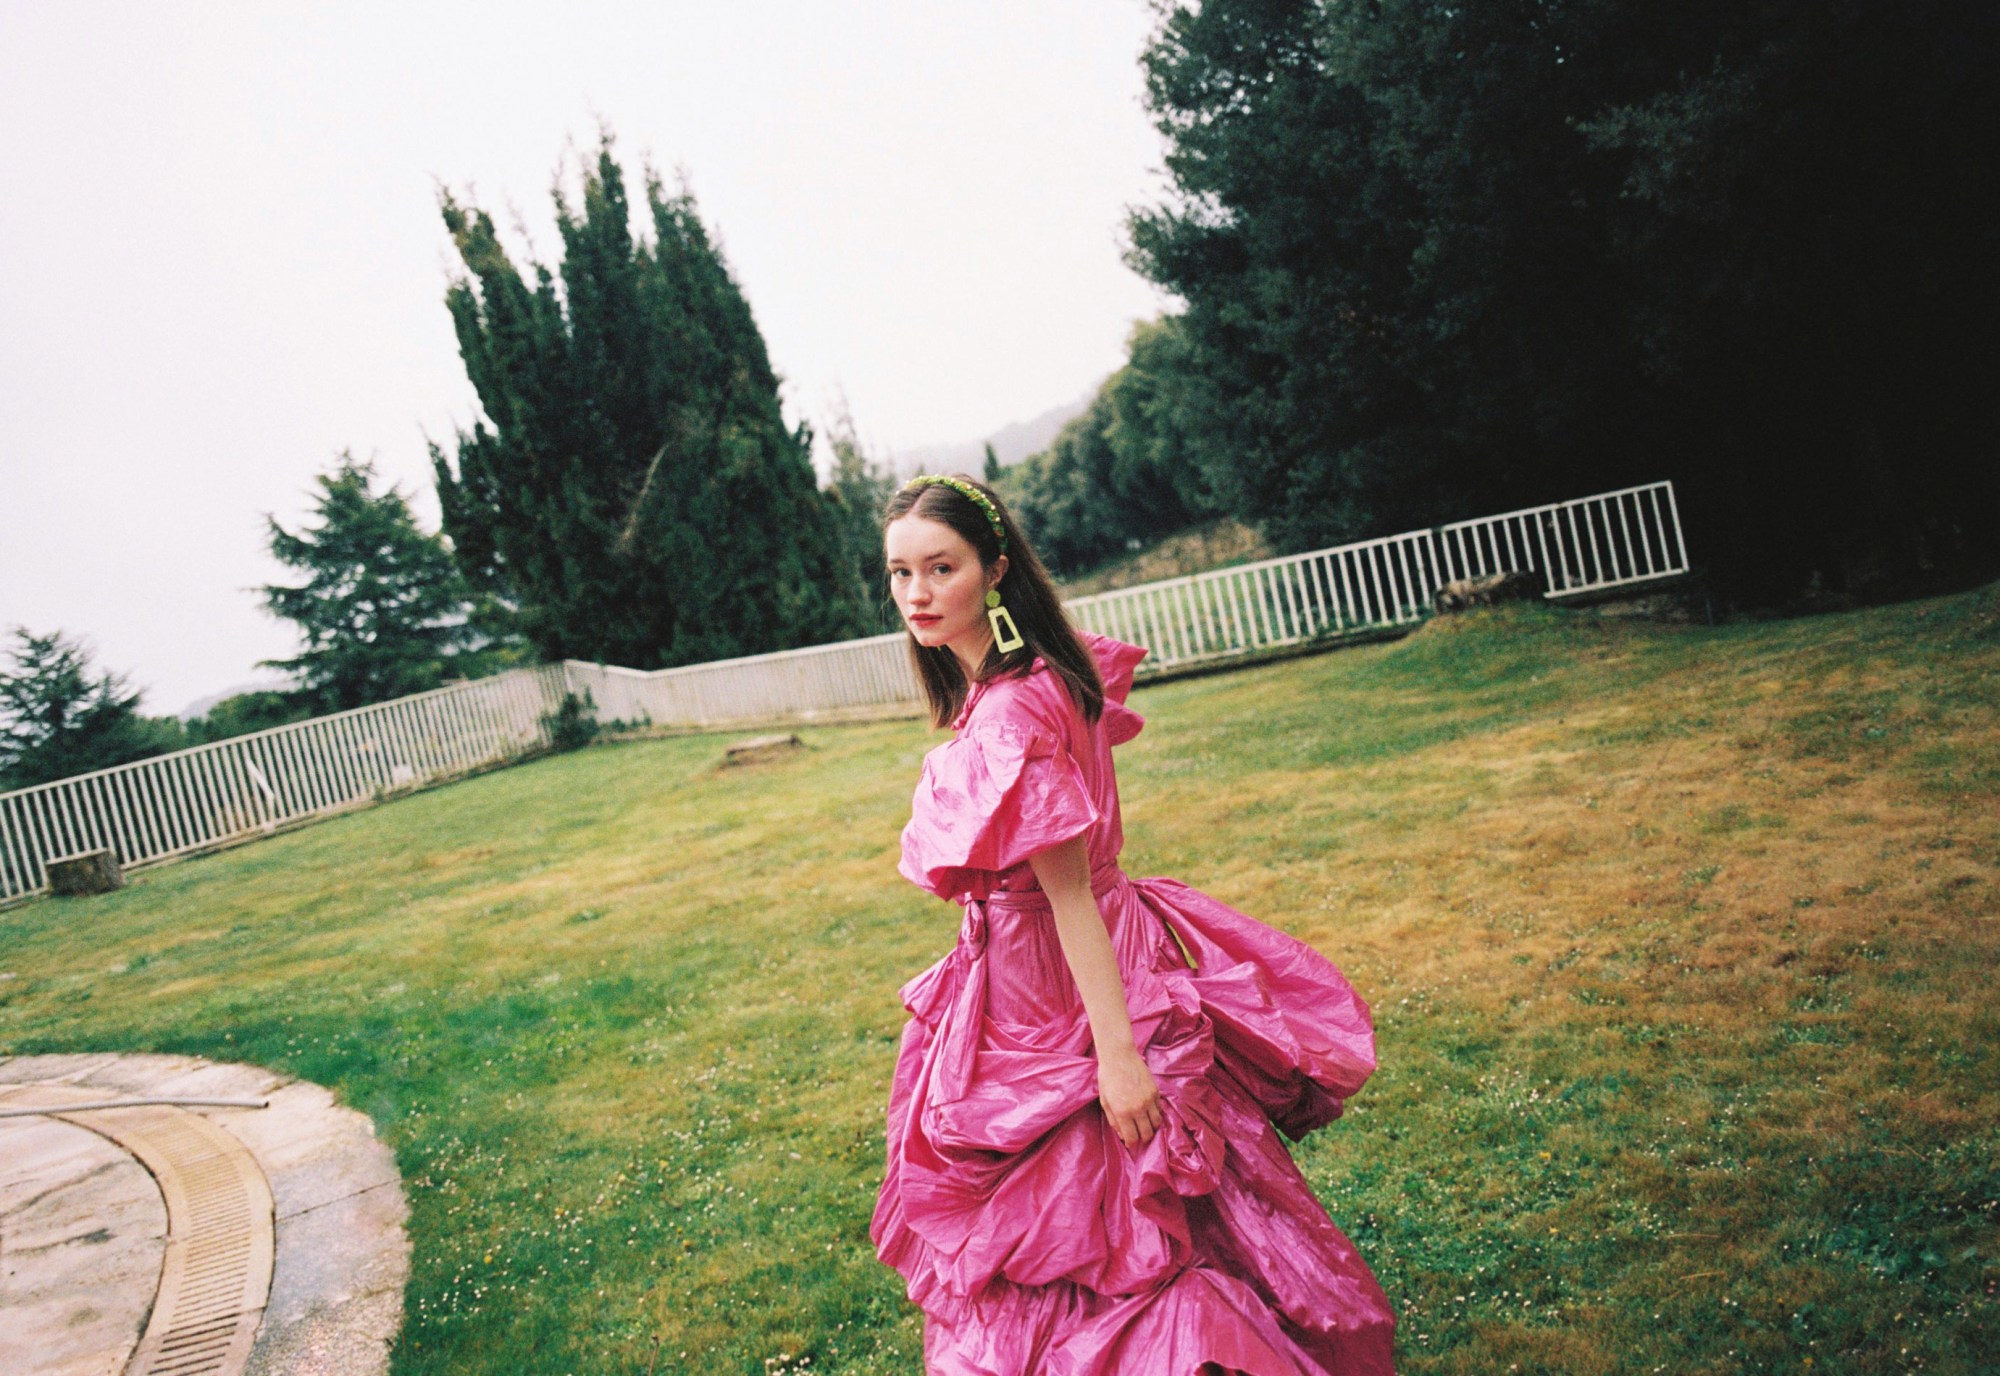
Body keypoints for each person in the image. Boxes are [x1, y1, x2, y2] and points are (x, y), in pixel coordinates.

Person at [868, 473, 1397, 1375]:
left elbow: (1067, 894)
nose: (917, 594)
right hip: (1085, 953)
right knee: (1139, 1206)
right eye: (900, 573)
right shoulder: (1043, 673)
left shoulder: (1009, 711)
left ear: (994, 570)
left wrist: (1118, 1059)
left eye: (941, 568)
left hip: (1055, 983)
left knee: (1104, 1208)